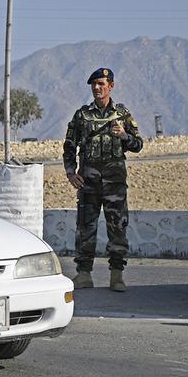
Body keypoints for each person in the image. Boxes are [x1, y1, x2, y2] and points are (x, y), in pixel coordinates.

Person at [63, 67, 143, 292]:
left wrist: (124, 136)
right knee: (85, 227)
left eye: (101, 84)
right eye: (94, 84)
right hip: (88, 182)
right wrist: (71, 172)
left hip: (115, 182)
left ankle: (116, 276)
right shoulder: (82, 115)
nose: (97, 88)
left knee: (117, 227)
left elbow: (138, 145)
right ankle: (84, 275)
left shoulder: (121, 114)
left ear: (111, 86)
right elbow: (69, 146)